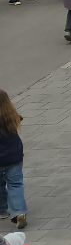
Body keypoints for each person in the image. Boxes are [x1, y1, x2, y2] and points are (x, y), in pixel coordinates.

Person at [0, 92, 20, 229]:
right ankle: (19, 211)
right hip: (13, 157)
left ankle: (2, 210)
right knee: (16, 184)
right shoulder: (12, 117)